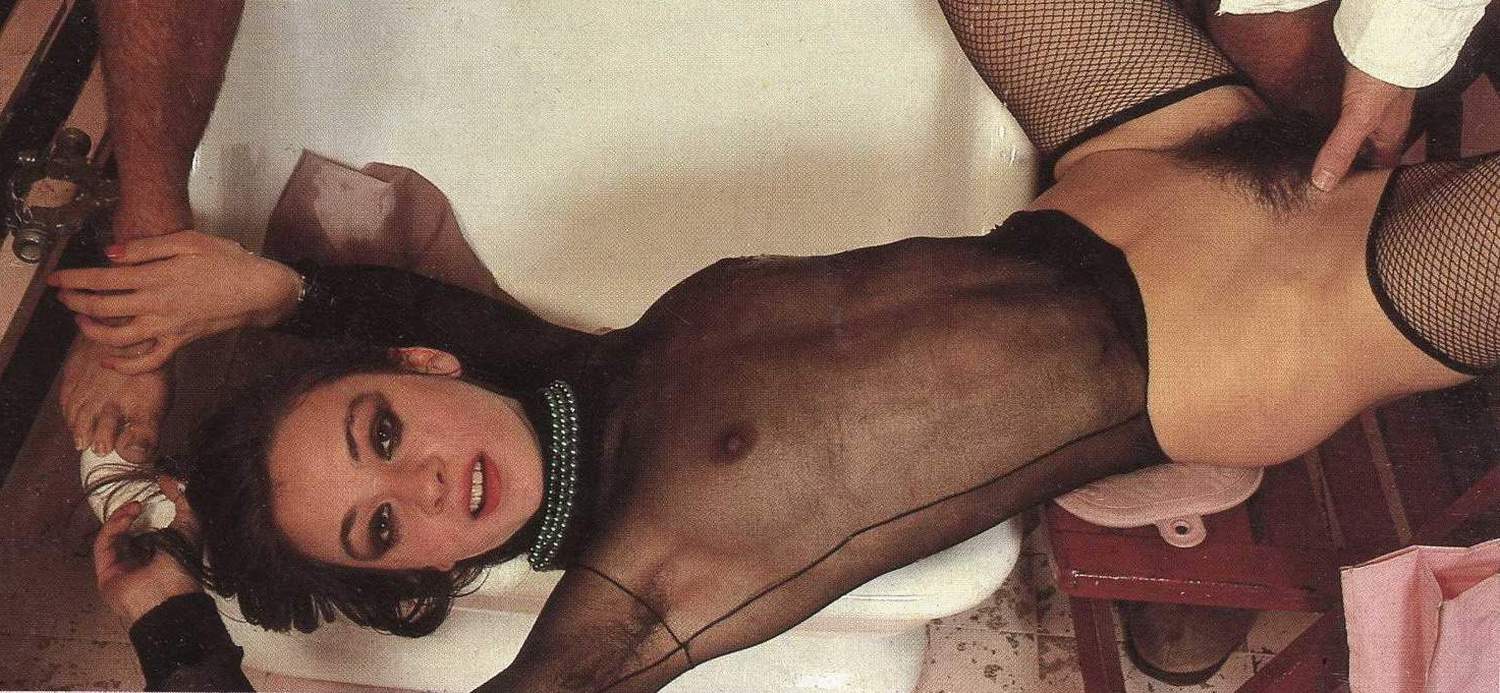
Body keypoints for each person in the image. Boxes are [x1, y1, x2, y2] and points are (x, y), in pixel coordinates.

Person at [55, 1, 1499, 691]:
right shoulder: (651, 576)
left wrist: (265, 293)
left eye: (381, 435)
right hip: (1262, 324)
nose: (426, 483)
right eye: (383, 529)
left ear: (420, 374)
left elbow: (442, 324)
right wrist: (172, 622)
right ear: (418, 579)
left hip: (1130, 162)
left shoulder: (577, 381)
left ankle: (1378, 53)